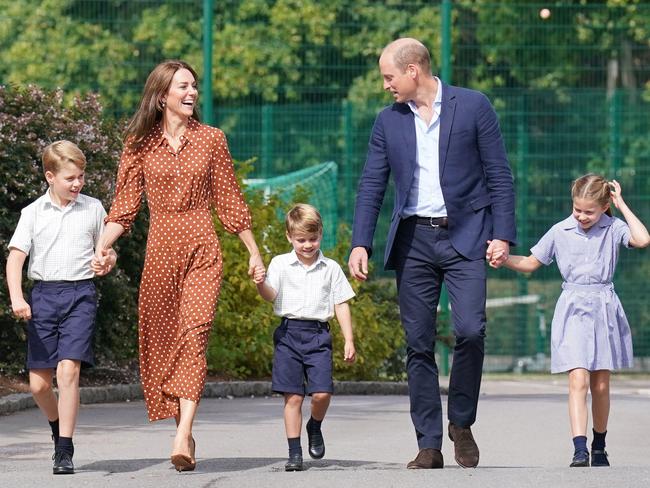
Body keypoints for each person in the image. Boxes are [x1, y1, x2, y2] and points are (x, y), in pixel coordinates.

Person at [348, 38, 516, 469]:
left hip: (466, 237)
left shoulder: (474, 106)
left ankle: (461, 421)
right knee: (418, 343)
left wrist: (503, 235)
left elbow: (499, 174)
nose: (385, 85)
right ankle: (429, 443)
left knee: (471, 330)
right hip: (414, 242)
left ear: (413, 71)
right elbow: (372, 184)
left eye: (389, 76)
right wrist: (361, 242)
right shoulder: (388, 122)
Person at [94, 60, 264, 472]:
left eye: (194, 86)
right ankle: (184, 428)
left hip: (202, 248)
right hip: (160, 253)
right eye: (183, 86)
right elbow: (124, 207)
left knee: (195, 333)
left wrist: (254, 251)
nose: (192, 93)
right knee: (166, 343)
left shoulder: (211, 140)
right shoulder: (139, 145)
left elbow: (229, 199)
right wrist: (102, 247)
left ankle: (181, 432)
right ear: (162, 95)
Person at [497, 174, 649, 467]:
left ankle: (600, 445)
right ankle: (579, 448)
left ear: (605, 206)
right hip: (573, 309)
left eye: (589, 211)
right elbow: (531, 263)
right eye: (577, 209)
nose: (581, 216)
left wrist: (622, 204)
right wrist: (503, 258)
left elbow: (642, 239)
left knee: (601, 384)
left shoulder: (615, 227)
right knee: (577, 378)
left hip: (604, 307)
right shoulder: (560, 230)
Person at [6, 140, 116, 475]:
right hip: (43, 297)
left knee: (68, 370)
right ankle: (57, 428)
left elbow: (107, 251)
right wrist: (17, 297)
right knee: (39, 384)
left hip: (80, 294)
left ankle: (64, 450)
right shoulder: (33, 213)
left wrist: (107, 259)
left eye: (81, 176)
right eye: (70, 178)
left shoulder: (94, 208)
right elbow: (15, 260)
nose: (77, 183)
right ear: (50, 176)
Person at [253, 203, 356, 472]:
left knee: (322, 393)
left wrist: (348, 339)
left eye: (313, 239)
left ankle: (315, 425)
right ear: (289, 237)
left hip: (318, 335)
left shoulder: (330, 268)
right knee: (293, 397)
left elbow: (341, 303)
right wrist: (260, 283)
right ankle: (294, 453)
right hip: (289, 334)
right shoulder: (280, 264)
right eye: (301, 240)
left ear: (320, 234)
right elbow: (270, 295)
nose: (307, 245)